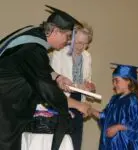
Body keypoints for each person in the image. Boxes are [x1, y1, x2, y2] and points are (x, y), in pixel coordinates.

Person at [0, 5, 83, 150]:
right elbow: (44, 86)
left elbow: (35, 68)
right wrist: (77, 105)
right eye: (68, 36)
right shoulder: (32, 49)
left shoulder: (31, 39)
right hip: (4, 113)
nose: (69, 42)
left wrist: (57, 77)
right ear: (56, 31)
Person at [51, 23, 96, 150]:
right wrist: (64, 84)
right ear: (71, 39)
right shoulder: (59, 53)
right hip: (63, 101)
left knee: (75, 143)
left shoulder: (87, 56)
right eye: (77, 42)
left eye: (84, 43)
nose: (80, 46)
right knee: (61, 142)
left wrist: (90, 86)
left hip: (79, 102)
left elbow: (87, 80)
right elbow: (52, 83)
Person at [90, 63, 138, 150]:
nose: (114, 84)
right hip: (109, 145)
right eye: (113, 81)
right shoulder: (114, 99)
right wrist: (90, 110)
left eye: (117, 81)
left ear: (128, 81)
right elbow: (105, 117)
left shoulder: (132, 100)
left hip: (123, 145)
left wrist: (118, 127)